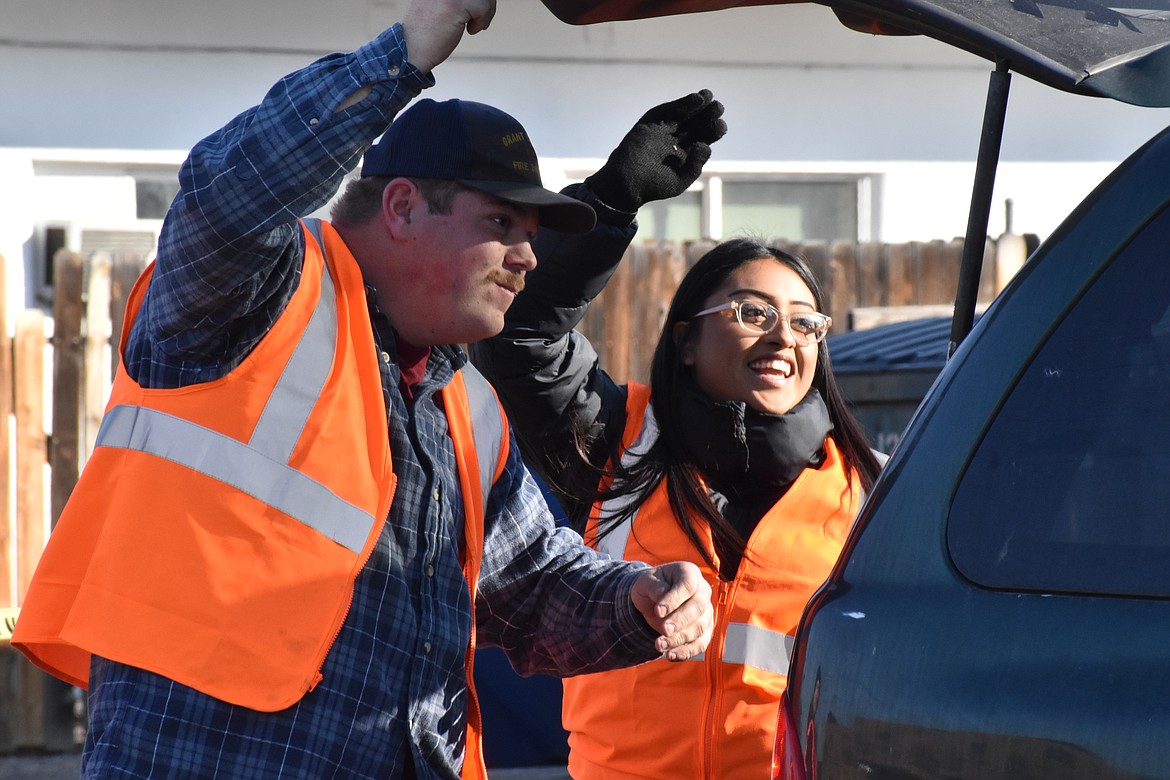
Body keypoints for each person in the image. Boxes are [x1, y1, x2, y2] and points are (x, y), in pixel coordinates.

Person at [11, 2, 716, 778]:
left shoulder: (465, 404)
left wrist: (640, 596)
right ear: (404, 207)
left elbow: (533, 585)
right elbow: (228, 195)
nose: (527, 256)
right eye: (503, 222)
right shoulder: (260, 298)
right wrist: (405, 52)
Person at [470, 91, 885, 779]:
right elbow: (521, 334)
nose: (785, 335)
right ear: (687, 342)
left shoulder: (877, 490)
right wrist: (609, 202)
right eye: (754, 312)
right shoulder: (616, 442)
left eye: (807, 323)